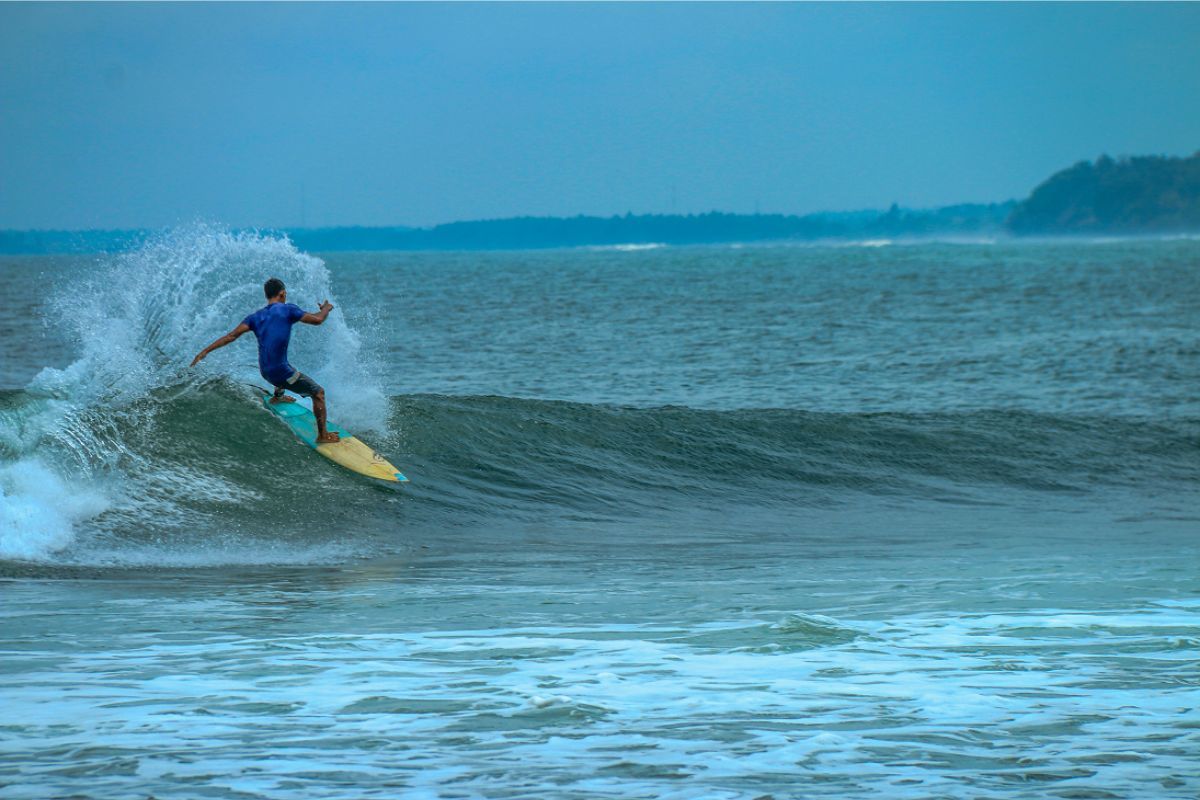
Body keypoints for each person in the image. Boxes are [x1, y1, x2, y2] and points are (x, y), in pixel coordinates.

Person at [191, 277, 341, 443]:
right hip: (280, 373)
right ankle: (322, 435)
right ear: (283, 294)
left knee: (284, 367)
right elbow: (318, 319)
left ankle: (277, 397)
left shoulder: (255, 317)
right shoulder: (288, 310)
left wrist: (204, 351)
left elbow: (231, 336)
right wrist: (326, 308)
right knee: (318, 392)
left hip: (266, 373)